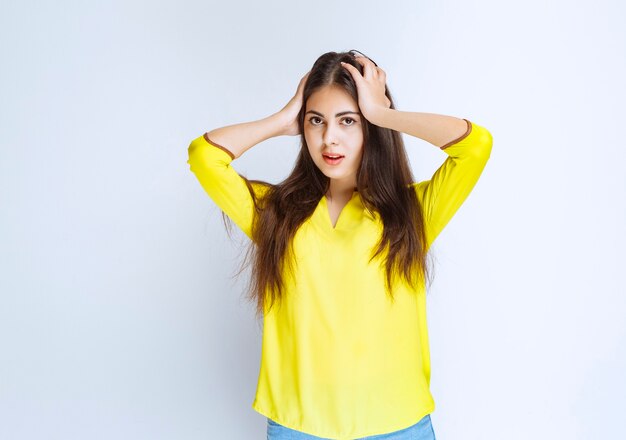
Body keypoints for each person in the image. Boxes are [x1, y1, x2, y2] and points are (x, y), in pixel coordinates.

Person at [187, 49, 493, 440]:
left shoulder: (411, 213)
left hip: (398, 427)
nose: (329, 138)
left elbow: (476, 146)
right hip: (298, 427)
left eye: (348, 121)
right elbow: (204, 157)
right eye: (317, 121)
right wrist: (282, 120)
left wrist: (383, 115)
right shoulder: (275, 213)